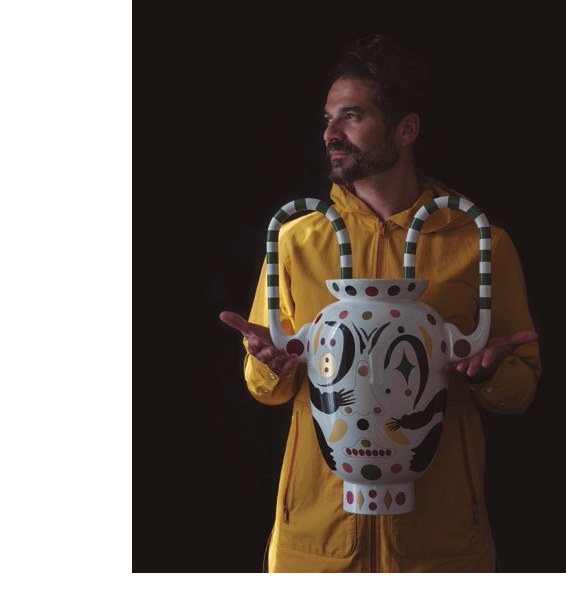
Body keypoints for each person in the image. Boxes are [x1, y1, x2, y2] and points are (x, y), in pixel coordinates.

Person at [219, 35, 541, 572]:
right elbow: (264, 388)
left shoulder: (478, 243)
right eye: (328, 119)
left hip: (439, 550)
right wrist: (270, 364)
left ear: (405, 129)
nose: (331, 134)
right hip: (315, 547)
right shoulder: (296, 241)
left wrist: (489, 374)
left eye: (352, 116)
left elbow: (522, 388)